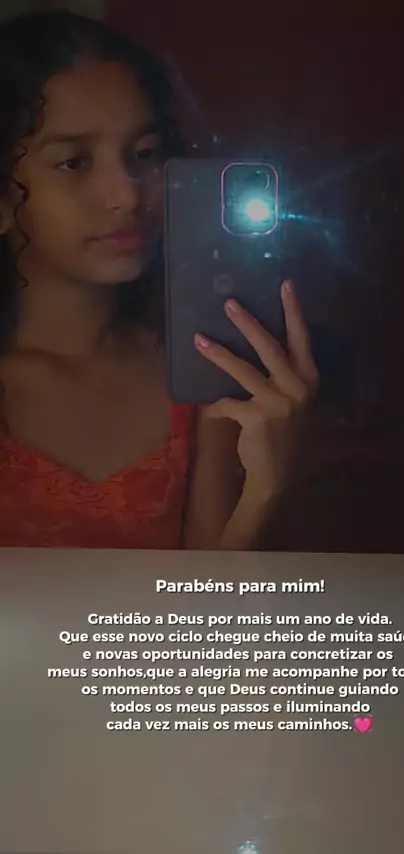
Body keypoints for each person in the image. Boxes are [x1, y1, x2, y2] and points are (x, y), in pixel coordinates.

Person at [0, 10, 319, 551]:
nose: (128, 193)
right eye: (74, 163)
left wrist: (265, 489)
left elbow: (204, 603)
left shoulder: (198, 376)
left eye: (145, 154)